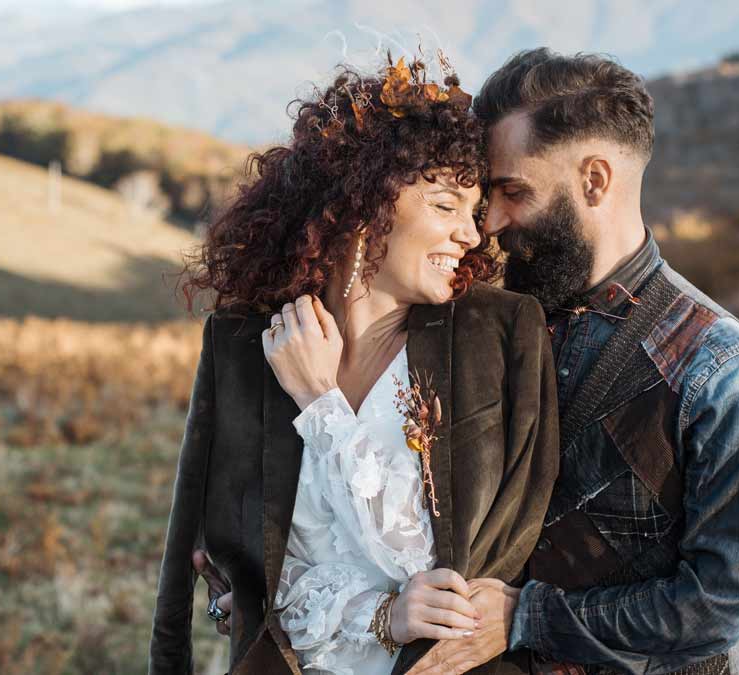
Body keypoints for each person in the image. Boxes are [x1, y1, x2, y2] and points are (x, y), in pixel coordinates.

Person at [149, 57, 559, 675]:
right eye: (447, 205)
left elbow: (447, 569)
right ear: (369, 206)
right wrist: (362, 615)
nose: (471, 236)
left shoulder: (498, 336)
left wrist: (323, 405)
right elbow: (246, 583)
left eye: (473, 214)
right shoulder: (243, 344)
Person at [408, 48, 739, 674]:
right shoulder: (488, 323)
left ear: (595, 180)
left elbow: (717, 608)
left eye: (512, 191)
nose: (492, 223)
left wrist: (526, 617)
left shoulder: (721, 368)